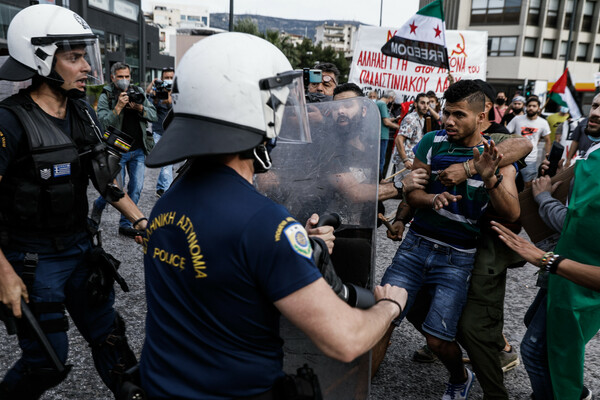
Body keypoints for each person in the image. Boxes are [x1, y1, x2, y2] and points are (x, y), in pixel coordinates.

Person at [139, 32, 407, 400]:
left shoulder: (168, 202)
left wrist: (298, 247)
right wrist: (390, 305)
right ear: (254, 113)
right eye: (278, 107)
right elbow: (345, 341)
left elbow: (224, 269)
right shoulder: (265, 224)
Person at [0, 5, 146, 398]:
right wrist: (3, 273)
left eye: (85, 57)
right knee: (46, 362)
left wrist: (142, 221)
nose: (88, 69)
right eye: (74, 58)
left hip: (81, 250)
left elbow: (105, 178)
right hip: (31, 259)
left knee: (115, 347)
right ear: (40, 59)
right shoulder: (8, 122)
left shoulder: (82, 112)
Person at [380, 79, 520, 399]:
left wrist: (485, 174)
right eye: (446, 113)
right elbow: (413, 193)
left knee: (438, 340)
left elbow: (511, 212)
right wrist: (428, 202)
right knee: (382, 318)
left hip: (458, 258)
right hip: (415, 246)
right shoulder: (432, 140)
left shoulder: (493, 151)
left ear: (482, 116)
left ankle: (460, 377)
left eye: (458, 114)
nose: (449, 121)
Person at [495, 92, 600, 400]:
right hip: (566, 271)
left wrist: (542, 198)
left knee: (536, 348)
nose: (596, 113)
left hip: (579, 278)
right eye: (595, 105)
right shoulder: (592, 155)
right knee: (538, 326)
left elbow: (576, 225)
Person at [90, 62, 157, 237]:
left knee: (136, 187)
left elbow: (154, 115)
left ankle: (126, 223)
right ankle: (97, 207)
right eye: (120, 77)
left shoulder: (138, 92)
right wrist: (118, 107)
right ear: (113, 77)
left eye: (127, 76)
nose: (124, 80)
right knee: (113, 190)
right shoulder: (107, 94)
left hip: (138, 151)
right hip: (116, 151)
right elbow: (102, 123)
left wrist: (140, 108)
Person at [506, 96, 551, 187]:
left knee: (528, 185)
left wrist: (547, 156)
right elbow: (506, 134)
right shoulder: (517, 119)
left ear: (538, 108)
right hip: (514, 157)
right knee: (508, 184)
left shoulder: (543, 122)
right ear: (526, 107)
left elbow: (548, 140)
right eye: (529, 106)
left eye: (534, 106)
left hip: (530, 159)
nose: (531, 108)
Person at [146, 67, 174, 197]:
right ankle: (167, 192)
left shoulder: (178, 92)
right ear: (162, 79)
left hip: (172, 133)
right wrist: (153, 84)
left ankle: (161, 189)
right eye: (166, 77)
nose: (169, 80)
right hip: (158, 131)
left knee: (167, 165)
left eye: (171, 77)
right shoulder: (157, 90)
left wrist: (170, 96)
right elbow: (147, 99)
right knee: (166, 164)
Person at [376, 90, 400, 177]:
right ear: (390, 98)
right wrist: (399, 127)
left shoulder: (378, 103)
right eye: (392, 100)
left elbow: (385, 118)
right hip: (383, 136)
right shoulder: (382, 104)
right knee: (381, 160)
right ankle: (379, 179)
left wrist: (396, 119)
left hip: (379, 135)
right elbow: (386, 122)